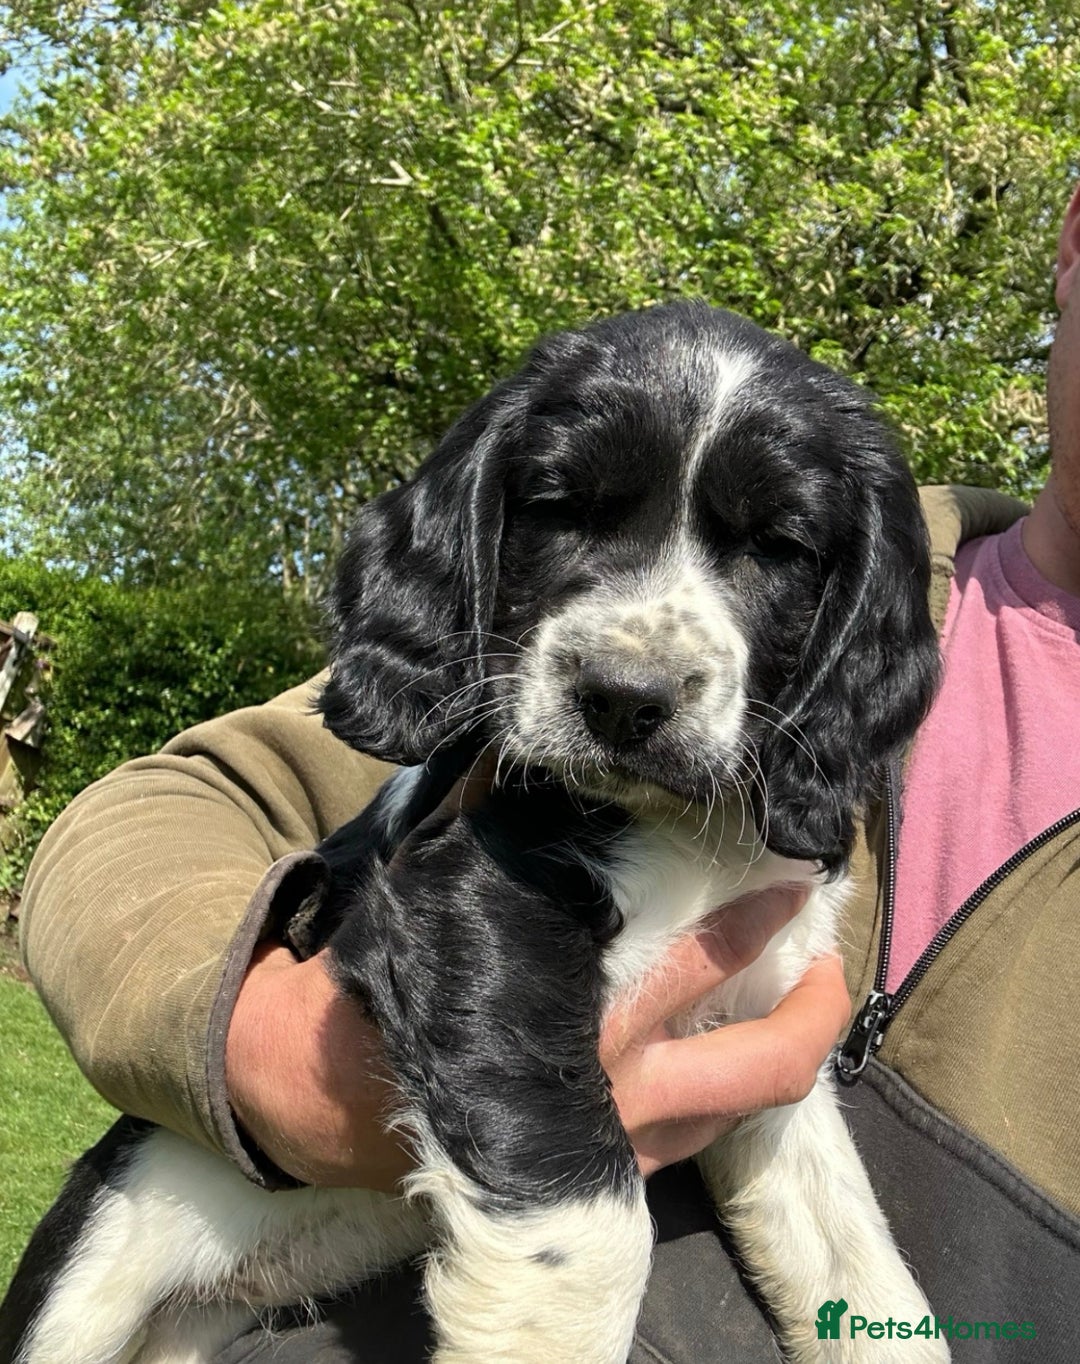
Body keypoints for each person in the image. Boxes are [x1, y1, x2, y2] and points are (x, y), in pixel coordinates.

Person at [17, 184, 1080, 1360]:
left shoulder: (849, 572)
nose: (639, 653)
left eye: (770, 547)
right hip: (180, 1232)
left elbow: (765, 1093)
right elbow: (167, 810)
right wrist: (258, 1052)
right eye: (572, 510)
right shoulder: (509, 781)